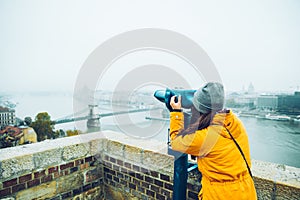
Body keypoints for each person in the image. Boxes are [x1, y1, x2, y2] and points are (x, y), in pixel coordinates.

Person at [169, 82, 257, 200]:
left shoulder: (206, 138)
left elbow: (176, 142)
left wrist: (176, 113)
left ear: (199, 108)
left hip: (221, 194)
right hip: (246, 190)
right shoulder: (234, 122)